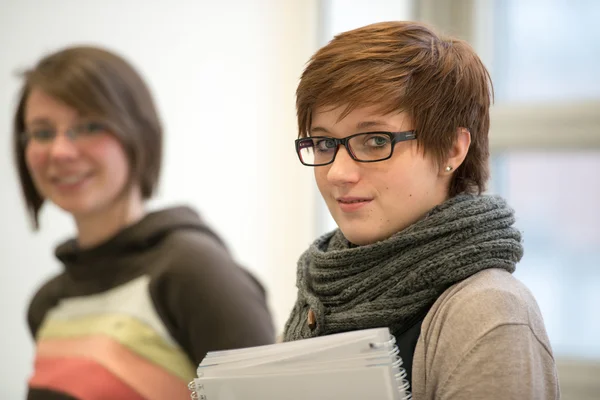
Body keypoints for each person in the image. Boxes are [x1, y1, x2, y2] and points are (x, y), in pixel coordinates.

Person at [283, 21, 559, 399]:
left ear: (451, 149)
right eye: (324, 142)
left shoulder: (487, 311)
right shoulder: (320, 293)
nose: (337, 172)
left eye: (376, 140)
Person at [13, 45, 275, 400]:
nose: (60, 151)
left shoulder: (192, 272)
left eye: (89, 126)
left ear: (139, 133)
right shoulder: (47, 303)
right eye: (43, 132)